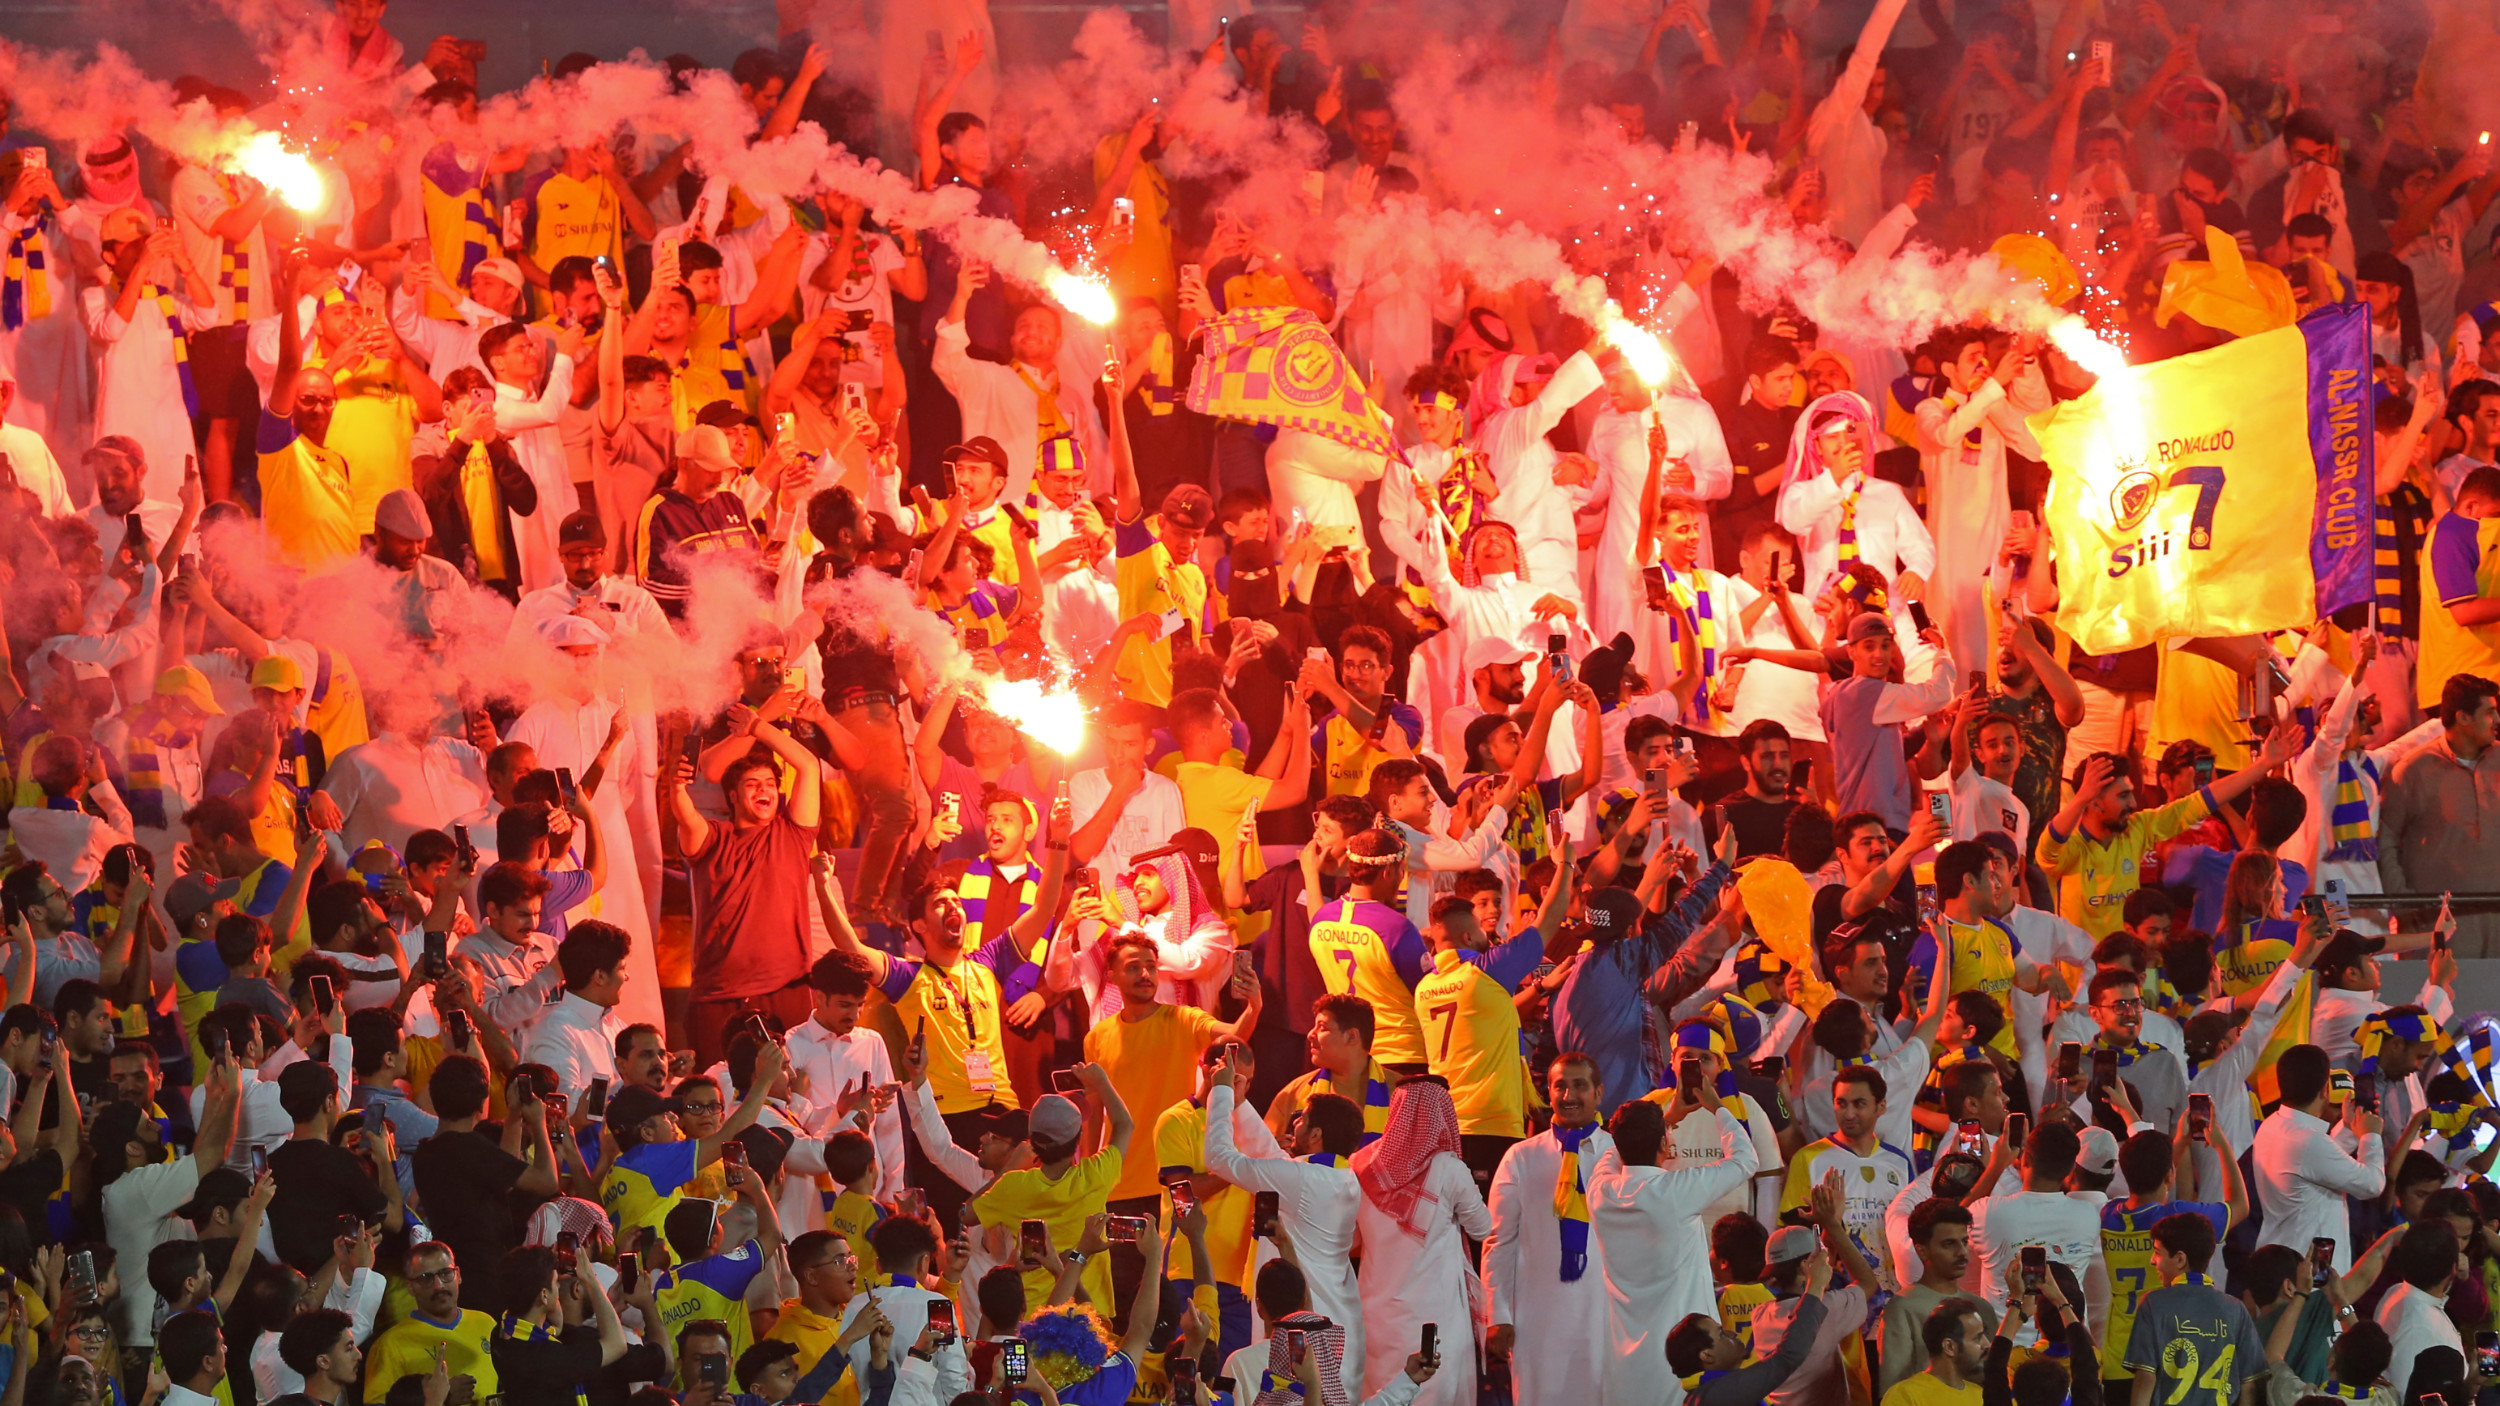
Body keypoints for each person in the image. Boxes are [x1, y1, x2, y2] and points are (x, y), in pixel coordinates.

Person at [1204, 1047, 1368, 1403]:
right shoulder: (1343, 1177)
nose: (1294, 1122)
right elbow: (1274, 1159)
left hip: (1300, 1327)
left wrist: (1219, 1092)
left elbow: (1218, 1158)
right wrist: (1240, 1103)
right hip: (1339, 1319)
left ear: (1316, 1134)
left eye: (1302, 1118)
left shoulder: (1303, 1179)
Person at [664, 708, 824, 1063]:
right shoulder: (713, 838)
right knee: (721, 1095)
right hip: (718, 995)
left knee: (790, 1094)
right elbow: (687, 816)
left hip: (788, 990)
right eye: (752, 785)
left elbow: (809, 766)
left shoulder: (793, 833)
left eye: (770, 784)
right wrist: (676, 787)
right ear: (733, 797)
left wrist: (757, 727)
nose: (764, 790)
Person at [1590, 1081, 1761, 1406]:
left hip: (1624, 1366)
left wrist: (1667, 1118)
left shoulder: (1602, 1193)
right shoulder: (1676, 1192)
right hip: (1682, 1361)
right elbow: (1745, 1161)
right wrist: (1717, 1107)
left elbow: (1614, 1152)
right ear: (1665, 1145)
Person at [1348, 1077, 1488, 1405]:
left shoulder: (1362, 1165)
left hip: (1375, 1316)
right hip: (1435, 1319)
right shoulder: (1448, 1168)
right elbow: (1483, 1228)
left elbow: (1351, 1239)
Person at [2378, 673, 2500, 953]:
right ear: (2463, 718)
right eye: (2490, 712)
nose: (2497, 721)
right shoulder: (2412, 770)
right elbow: (2386, 841)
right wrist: (2406, 904)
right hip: (2438, 929)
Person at [2252, 1044, 2386, 1273]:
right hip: (2311, 1277)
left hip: (2287, 1262)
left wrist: (2348, 1126)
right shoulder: (2308, 1141)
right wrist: (2370, 1136)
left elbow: (2318, 1164)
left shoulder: (2272, 1125)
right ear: (2325, 1089)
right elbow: (2372, 1185)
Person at [2122, 1211, 2262, 1406]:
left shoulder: (2153, 1304)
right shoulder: (2236, 1309)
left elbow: (2146, 1378)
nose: (2152, 1261)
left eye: (2157, 1252)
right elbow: (2249, 1385)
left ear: (2180, 1259)